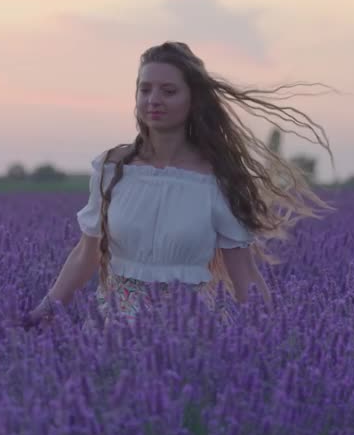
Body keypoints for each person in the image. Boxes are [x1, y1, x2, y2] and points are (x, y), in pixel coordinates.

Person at [17, 41, 336, 330]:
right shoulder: (112, 168)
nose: (154, 100)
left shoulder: (218, 179)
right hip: (113, 331)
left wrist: (275, 335)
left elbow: (245, 276)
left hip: (192, 333)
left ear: (192, 100)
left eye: (168, 91)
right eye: (145, 90)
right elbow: (84, 257)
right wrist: (39, 313)